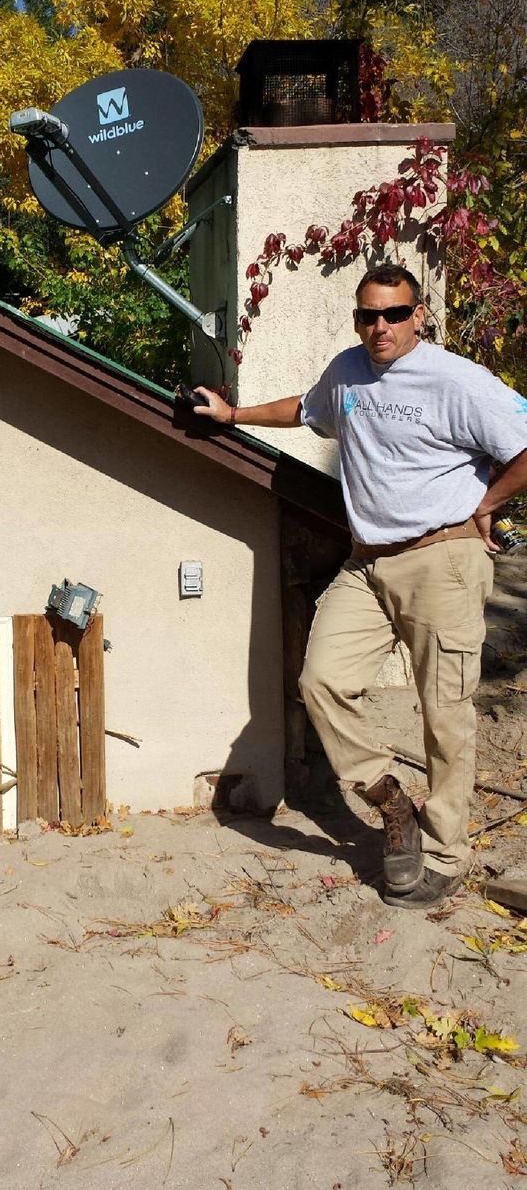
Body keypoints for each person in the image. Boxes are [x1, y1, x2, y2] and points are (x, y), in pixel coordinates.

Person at [194, 262, 527, 910]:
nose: (381, 327)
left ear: (418, 315)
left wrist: (489, 504)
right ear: (357, 319)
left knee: (445, 717)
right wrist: (233, 412)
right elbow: (307, 408)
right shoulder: (348, 372)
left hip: (443, 558)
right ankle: (389, 798)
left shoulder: (457, 380)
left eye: (394, 314)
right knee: (319, 680)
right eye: (369, 315)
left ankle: (448, 855)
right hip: (366, 563)